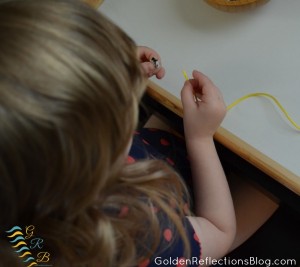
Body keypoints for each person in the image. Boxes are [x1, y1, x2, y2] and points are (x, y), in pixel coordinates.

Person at [0, 0, 277, 266]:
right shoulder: (140, 238)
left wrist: (114, 71)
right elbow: (219, 230)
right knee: (273, 181)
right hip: (195, 231)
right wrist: (200, 139)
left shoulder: (24, 203)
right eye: (119, 104)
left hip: (151, 163)